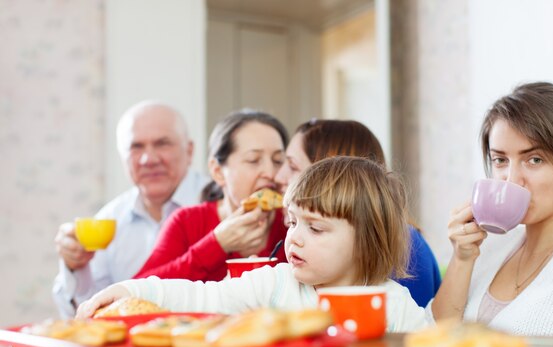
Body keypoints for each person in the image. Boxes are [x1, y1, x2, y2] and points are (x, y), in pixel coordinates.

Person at [77, 157, 428, 332]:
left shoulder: (396, 308)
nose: (294, 237)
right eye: (292, 222)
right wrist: (127, 290)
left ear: (367, 242)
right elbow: (200, 298)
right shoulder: (274, 284)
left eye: (316, 228)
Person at [429, 82, 553, 337]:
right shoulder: (490, 246)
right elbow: (437, 337)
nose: (511, 179)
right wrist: (462, 258)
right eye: (500, 160)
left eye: (534, 160)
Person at [52, 101, 208, 318]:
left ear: (189, 151)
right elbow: (81, 314)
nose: (149, 159)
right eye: (136, 147)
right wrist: (74, 265)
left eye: (162, 144)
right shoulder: (110, 218)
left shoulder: (222, 205)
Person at [274, 119, 441, 306]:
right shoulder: (293, 256)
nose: (278, 177)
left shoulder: (405, 249)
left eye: (293, 166)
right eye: (293, 222)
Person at [132, 109, 289, 281]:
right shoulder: (187, 223)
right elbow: (133, 290)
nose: (270, 172)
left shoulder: (293, 224)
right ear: (218, 171)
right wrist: (217, 244)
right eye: (253, 160)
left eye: (278, 161)